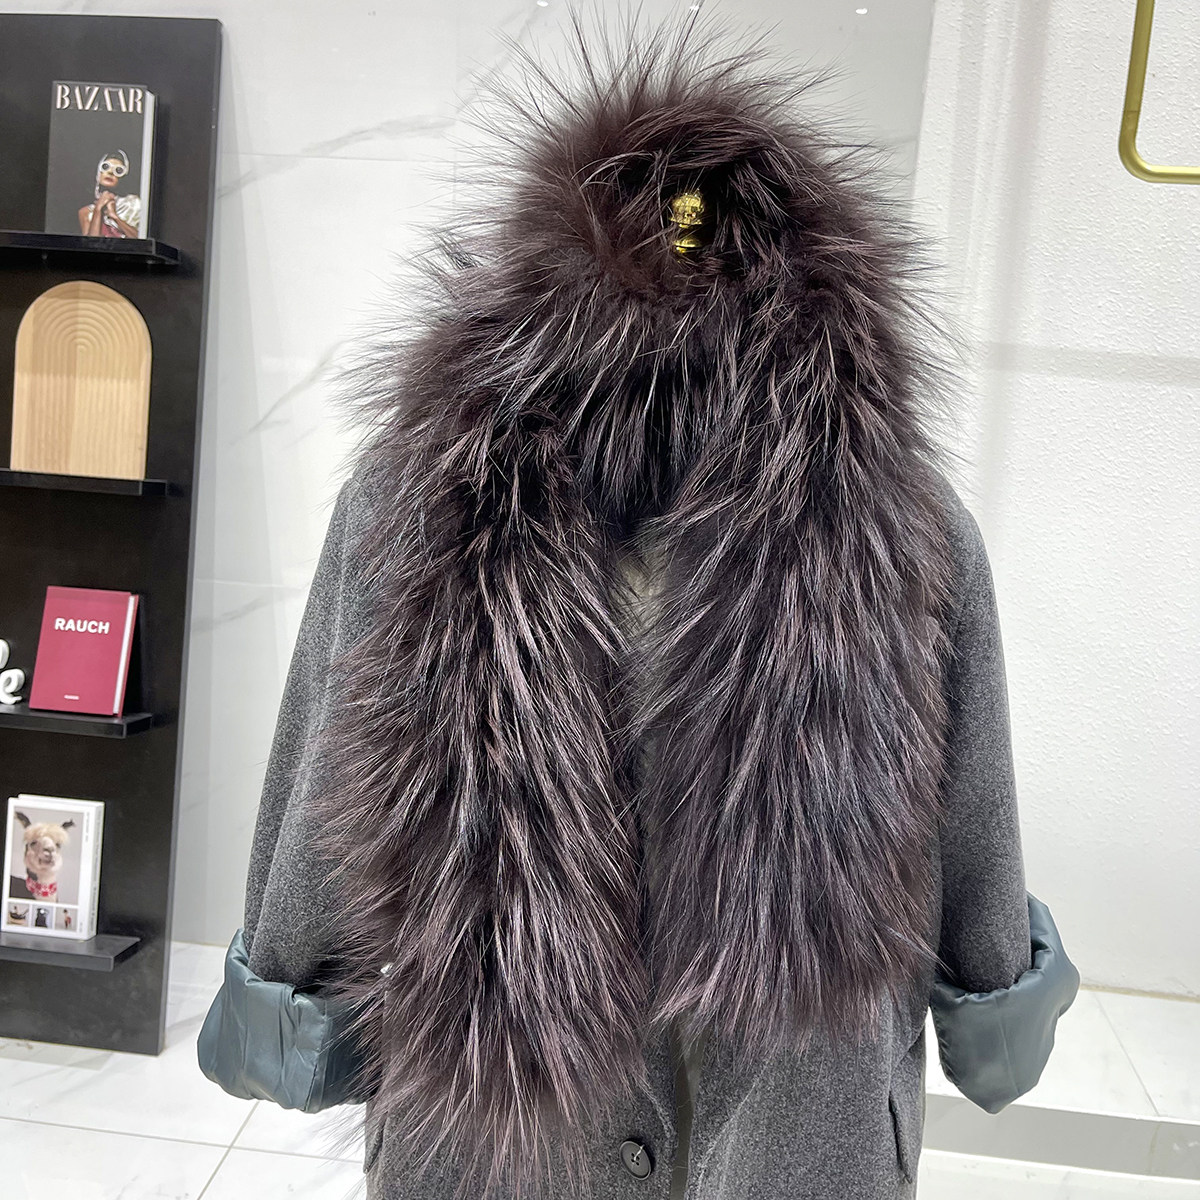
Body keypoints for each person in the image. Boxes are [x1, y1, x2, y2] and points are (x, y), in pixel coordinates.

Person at [199, 23, 1079, 1200]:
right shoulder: (425, 501)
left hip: (787, 1133)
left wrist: (985, 954)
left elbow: (970, 796)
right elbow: (330, 749)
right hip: (502, 1142)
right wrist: (297, 956)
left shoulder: (901, 526)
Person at [77, 150, 141, 238]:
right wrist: (98, 209)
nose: (110, 172)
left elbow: (140, 239)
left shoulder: (133, 204)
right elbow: (92, 242)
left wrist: (114, 217)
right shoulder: (85, 212)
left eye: (118, 170)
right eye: (106, 167)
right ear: (98, 173)